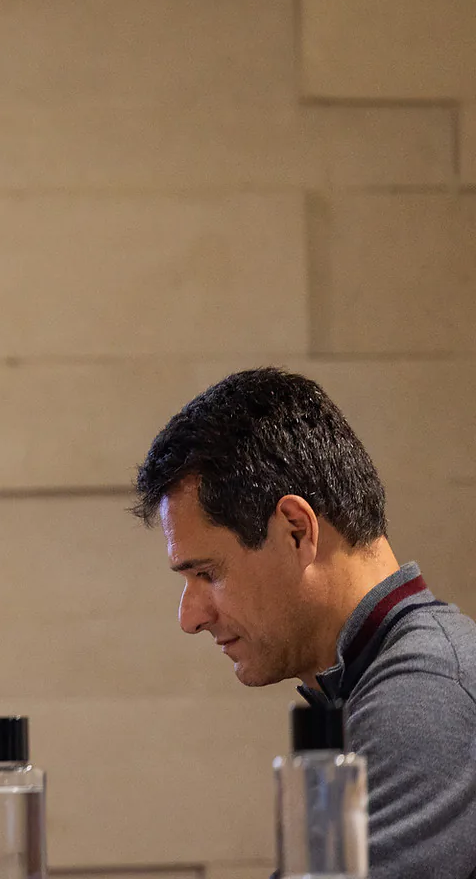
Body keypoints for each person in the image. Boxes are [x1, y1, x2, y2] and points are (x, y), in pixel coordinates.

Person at [132, 367, 476, 878]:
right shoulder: (375, 680)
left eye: (207, 573)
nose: (190, 617)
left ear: (296, 531)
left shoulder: (424, 694)